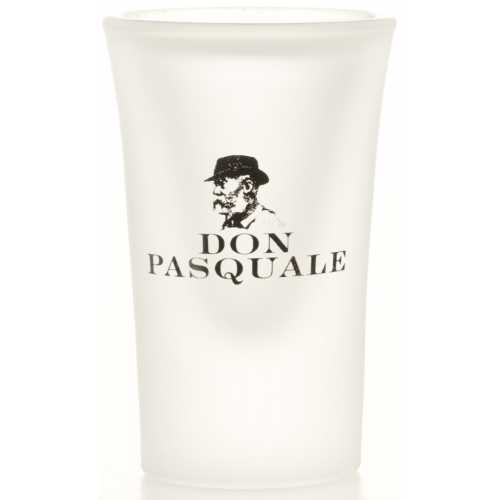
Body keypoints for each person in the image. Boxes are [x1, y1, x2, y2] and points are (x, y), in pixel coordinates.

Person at [204, 155, 282, 230]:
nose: (215, 191)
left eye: (222, 183)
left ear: (247, 186)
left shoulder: (269, 223)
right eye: (216, 184)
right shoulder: (229, 222)